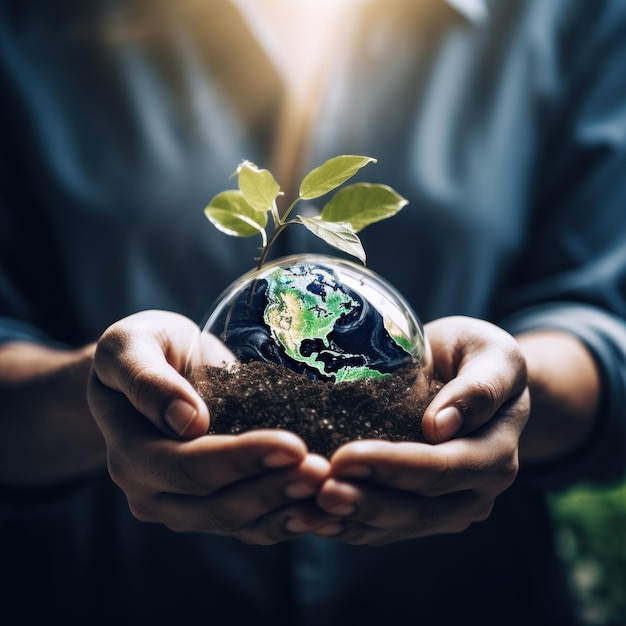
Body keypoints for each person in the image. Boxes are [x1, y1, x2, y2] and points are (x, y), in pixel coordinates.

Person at [1, 0, 625, 624]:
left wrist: (508, 388)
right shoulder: (28, 30)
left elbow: (603, 324)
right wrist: (103, 394)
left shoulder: (564, 17)